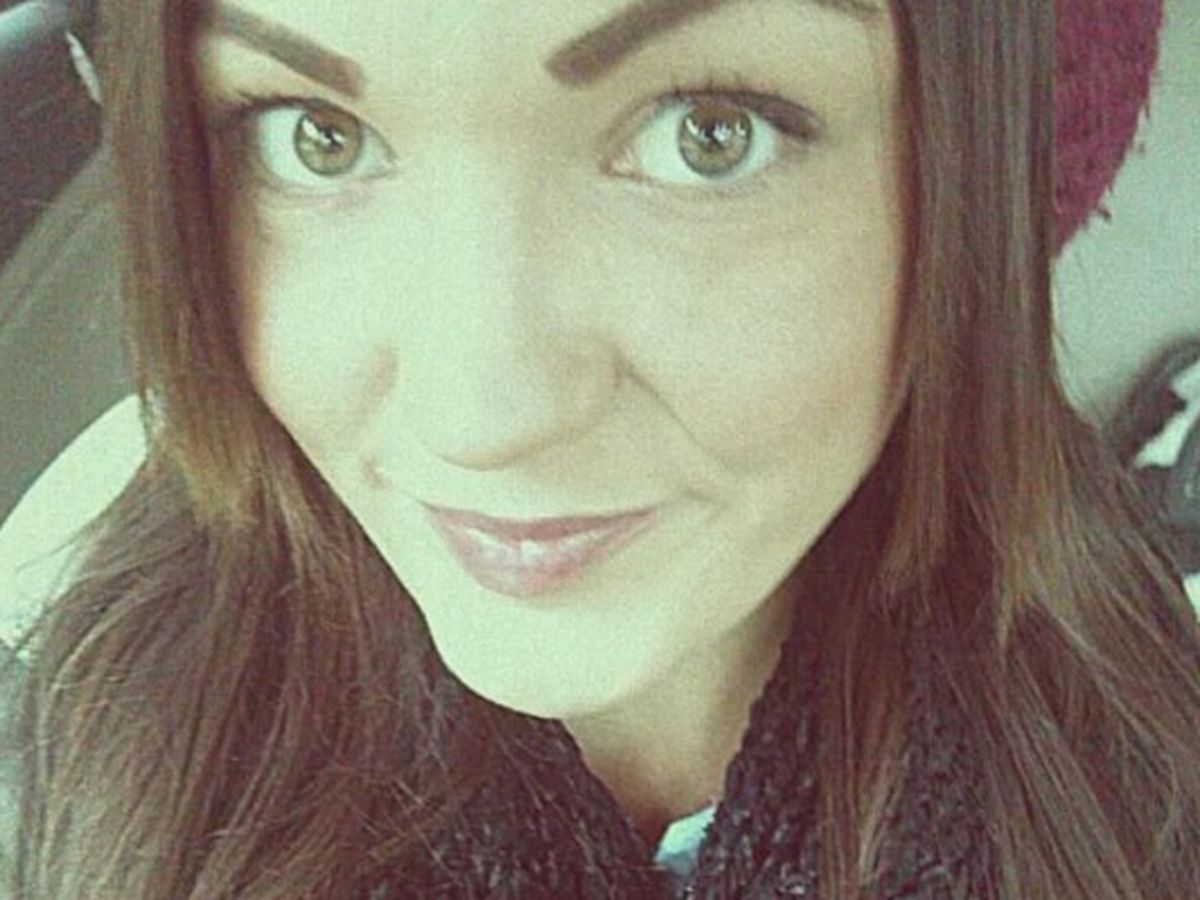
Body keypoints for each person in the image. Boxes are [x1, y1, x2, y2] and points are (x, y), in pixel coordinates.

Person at [2, 0, 1198, 896]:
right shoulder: (67, 674)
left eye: (710, 135)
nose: (480, 417)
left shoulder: (1144, 754)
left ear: (978, 187)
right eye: (316, 137)